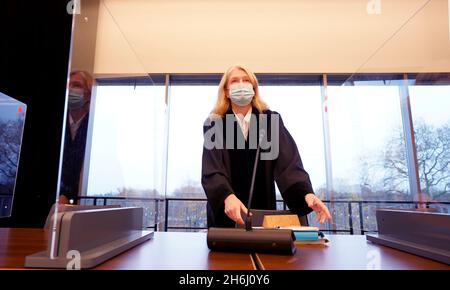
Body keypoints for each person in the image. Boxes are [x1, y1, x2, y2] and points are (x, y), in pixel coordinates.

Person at [201, 65, 331, 228]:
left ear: (254, 88)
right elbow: (211, 170)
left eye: (246, 80)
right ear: (226, 91)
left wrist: (306, 194)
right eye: (234, 81)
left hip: (263, 215)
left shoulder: (270, 122)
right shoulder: (215, 124)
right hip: (225, 218)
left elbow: (289, 166)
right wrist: (226, 196)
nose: (241, 85)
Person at [59, 70, 93, 204]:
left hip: (82, 200)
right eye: (69, 85)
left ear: (88, 94)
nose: (71, 89)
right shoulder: (60, 122)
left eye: (77, 85)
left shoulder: (94, 125)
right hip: (54, 200)